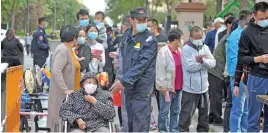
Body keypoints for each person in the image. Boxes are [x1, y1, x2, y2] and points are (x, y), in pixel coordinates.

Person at [110, 8, 158, 132]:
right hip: (128, 88)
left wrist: (123, 81)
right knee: (129, 123)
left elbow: (142, 65)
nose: (143, 22)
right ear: (131, 20)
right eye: (139, 20)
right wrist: (119, 78)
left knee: (140, 125)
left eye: (145, 20)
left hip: (141, 89)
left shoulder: (150, 40)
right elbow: (124, 60)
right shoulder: (126, 35)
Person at [237, 2, 268, 132]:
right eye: (261, 19)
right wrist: (258, 59)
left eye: (267, 18)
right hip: (257, 78)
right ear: (254, 16)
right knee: (254, 119)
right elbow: (241, 58)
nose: (265, 21)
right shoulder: (247, 33)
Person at [179, 26, 216, 132]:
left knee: (204, 118)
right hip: (190, 89)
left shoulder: (205, 48)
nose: (198, 39)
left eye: (200, 37)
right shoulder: (186, 49)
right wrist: (204, 64)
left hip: (204, 88)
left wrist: (202, 61)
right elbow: (190, 67)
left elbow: (213, 63)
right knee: (186, 117)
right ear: (190, 37)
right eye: (196, 37)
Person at [47, 25, 80, 132]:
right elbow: (56, 70)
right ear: (74, 38)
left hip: (71, 93)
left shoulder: (68, 49)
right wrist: (65, 89)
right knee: (60, 123)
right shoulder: (63, 50)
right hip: (63, 94)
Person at [226, 10, 252, 132]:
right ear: (245, 21)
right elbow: (233, 58)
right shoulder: (236, 36)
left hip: (247, 76)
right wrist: (239, 76)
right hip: (239, 77)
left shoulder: (247, 34)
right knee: (238, 108)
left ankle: (244, 130)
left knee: (246, 108)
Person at [208, 16, 236, 126]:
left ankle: (212, 117)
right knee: (216, 96)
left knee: (215, 96)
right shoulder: (229, 39)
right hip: (216, 70)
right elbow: (228, 59)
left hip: (216, 70)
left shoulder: (228, 36)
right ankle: (217, 119)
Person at [156, 28, 184, 132]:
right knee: (164, 111)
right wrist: (162, 86)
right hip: (167, 87)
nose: (182, 40)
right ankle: (163, 130)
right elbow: (160, 70)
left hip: (178, 86)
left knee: (176, 111)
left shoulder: (180, 51)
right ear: (176, 39)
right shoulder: (164, 52)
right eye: (181, 38)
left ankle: (174, 129)